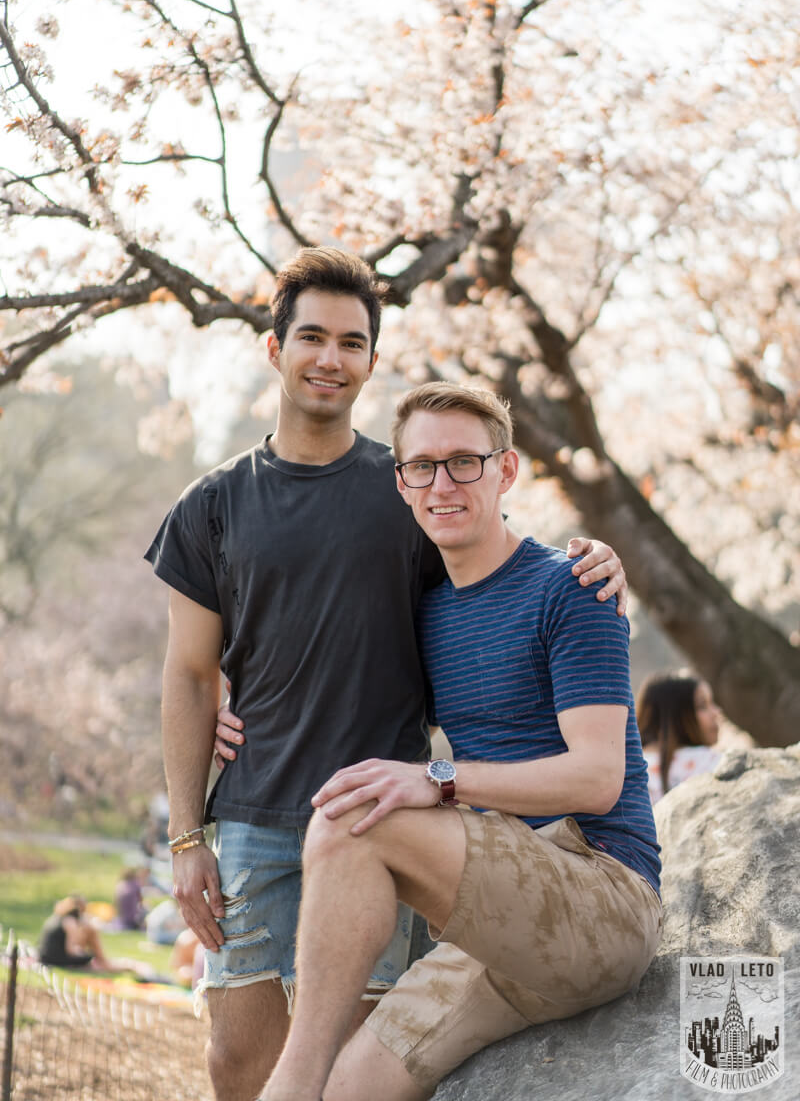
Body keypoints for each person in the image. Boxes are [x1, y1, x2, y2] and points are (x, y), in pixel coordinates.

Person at [144, 247, 628, 1101]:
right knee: (238, 1062)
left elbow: (501, 573)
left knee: (349, 1061)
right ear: (275, 348)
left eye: (352, 342)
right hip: (254, 816)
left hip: (384, 822)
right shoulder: (211, 506)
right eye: (312, 337)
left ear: (372, 358)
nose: (331, 358)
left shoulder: (407, 489)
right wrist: (188, 838)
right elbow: (188, 676)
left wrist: (597, 564)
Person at [258, 382, 662, 1101]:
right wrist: (231, 707)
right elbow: (314, 665)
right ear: (402, 483)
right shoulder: (423, 610)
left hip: (599, 899)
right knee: (352, 1091)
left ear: (505, 472)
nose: (442, 483)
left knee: (350, 817)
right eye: (422, 466)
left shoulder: (571, 588)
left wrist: (438, 781)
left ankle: (288, 1083)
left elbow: (598, 777)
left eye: (464, 463)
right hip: (497, 926)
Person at [636, 669, 722, 804]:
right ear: (675, 717)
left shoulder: (628, 769)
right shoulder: (710, 762)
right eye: (702, 706)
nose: (716, 712)